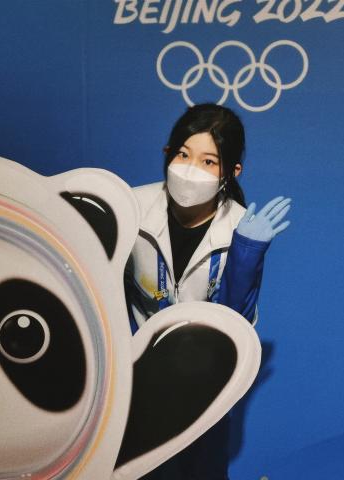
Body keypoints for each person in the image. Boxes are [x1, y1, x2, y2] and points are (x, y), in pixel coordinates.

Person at [124, 103, 291, 479]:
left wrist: (246, 255)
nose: (190, 169)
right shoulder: (130, 208)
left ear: (232, 172)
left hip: (205, 384)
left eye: (208, 161)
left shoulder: (242, 228)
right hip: (139, 379)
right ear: (168, 153)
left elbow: (235, 324)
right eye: (183, 155)